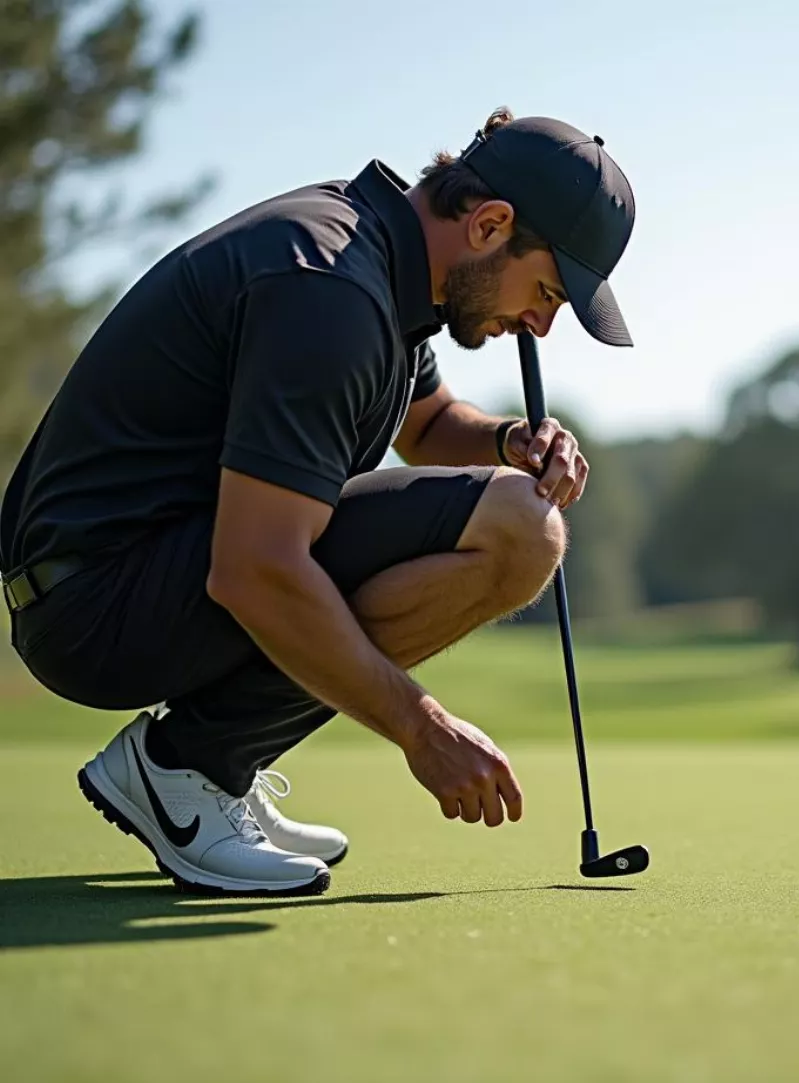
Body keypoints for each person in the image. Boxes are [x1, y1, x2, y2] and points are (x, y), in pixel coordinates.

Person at [0, 108, 636, 896]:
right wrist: (420, 727)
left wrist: (509, 439)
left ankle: (208, 765)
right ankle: (185, 770)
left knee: (514, 515)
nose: (539, 324)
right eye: (546, 290)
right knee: (519, 531)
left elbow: (429, 426)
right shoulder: (333, 292)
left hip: (122, 577)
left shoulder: (378, 256)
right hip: (96, 606)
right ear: (490, 224)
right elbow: (254, 569)